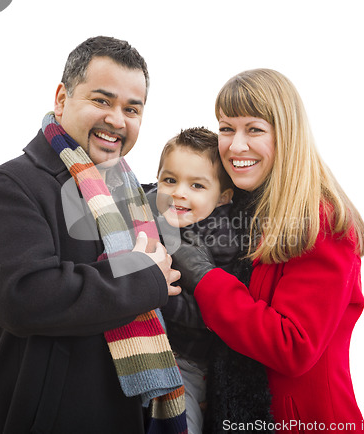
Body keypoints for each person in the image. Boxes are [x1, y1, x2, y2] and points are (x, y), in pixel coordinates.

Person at [0, 36, 187, 434]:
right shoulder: (11, 186)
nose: (117, 120)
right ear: (61, 98)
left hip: (132, 418)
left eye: (131, 109)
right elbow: (23, 298)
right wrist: (144, 278)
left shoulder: (134, 195)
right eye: (102, 101)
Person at [172, 69, 364, 433]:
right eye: (226, 128)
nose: (235, 145)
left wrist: (204, 276)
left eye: (254, 129)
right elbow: (175, 185)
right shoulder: (241, 206)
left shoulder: (321, 222)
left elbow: (293, 346)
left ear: (286, 135)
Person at [146, 127, 235, 434]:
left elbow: (209, 314)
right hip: (148, 348)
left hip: (188, 360)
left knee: (179, 422)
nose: (178, 192)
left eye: (197, 185)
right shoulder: (148, 213)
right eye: (169, 180)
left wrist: (158, 295)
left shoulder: (220, 238)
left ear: (222, 198)